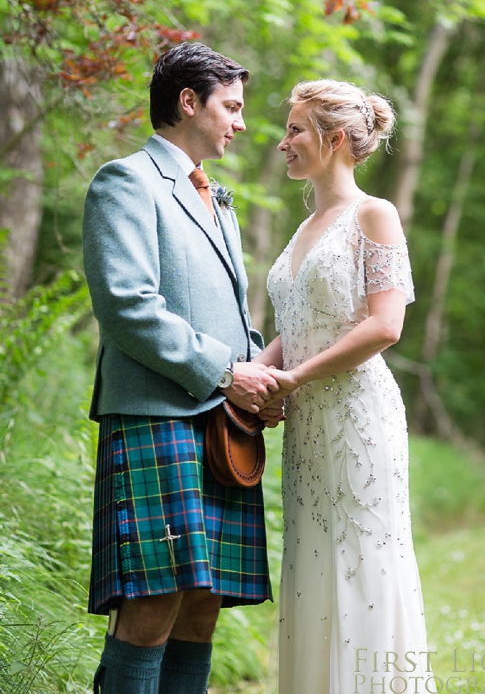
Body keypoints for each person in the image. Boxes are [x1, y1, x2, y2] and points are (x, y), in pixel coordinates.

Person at [82, 42, 283, 694]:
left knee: (203, 603)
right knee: (152, 602)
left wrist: (257, 378)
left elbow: (229, 312)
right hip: (155, 416)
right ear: (188, 102)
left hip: (224, 425)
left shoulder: (216, 198)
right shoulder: (127, 180)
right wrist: (231, 373)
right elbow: (126, 304)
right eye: (232, 106)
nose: (242, 123)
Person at [258, 80, 431, 694]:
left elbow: (386, 325)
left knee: (363, 563)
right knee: (312, 564)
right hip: (306, 426)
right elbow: (296, 327)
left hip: (358, 416)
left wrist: (293, 378)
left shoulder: (372, 215)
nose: (283, 143)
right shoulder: (304, 226)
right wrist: (261, 375)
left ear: (333, 140)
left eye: (295, 130)